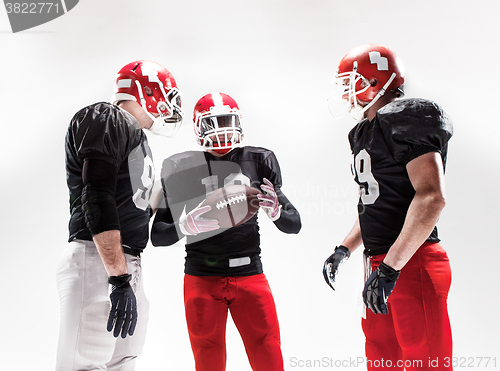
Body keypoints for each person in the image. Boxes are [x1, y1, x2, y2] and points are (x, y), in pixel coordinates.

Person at [322, 44, 453, 370]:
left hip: (412, 262)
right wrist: (344, 248)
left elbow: (431, 196)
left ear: (374, 81)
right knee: (382, 361)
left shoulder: (409, 116)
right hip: (380, 264)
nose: (345, 91)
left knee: (426, 364)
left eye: (349, 82)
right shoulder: (364, 131)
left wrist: (392, 268)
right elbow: (374, 203)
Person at [151, 92, 301, 371]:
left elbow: (294, 224)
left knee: (268, 356)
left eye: (226, 120)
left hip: (250, 275)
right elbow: (158, 235)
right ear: (198, 127)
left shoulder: (259, 159)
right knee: (208, 360)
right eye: (213, 123)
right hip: (201, 278)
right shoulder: (180, 166)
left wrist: (277, 211)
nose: (221, 130)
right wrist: (184, 226)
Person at [57, 60, 184, 371]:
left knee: (122, 363)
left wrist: (165, 192)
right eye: (166, 95)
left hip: (125, 265)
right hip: (99, 260)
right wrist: (118, 278)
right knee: (84, 363)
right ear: (147, 91)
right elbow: (97, 195)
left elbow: (132, 207)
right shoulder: (108, 118)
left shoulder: (136, 138)